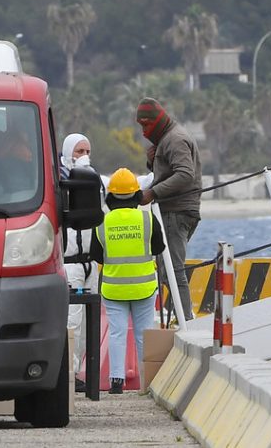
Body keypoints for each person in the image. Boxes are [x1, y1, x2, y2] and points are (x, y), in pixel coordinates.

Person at [90, 167, 165, 394]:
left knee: (117, 333)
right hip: (144, 286)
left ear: (110, 196)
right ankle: (146, 383)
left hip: (114, 289)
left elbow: (96, 255)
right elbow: (159, 247)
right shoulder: (147, 218)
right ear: (136, 195)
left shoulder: (102, 222)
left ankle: (115, 382)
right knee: (144, 334)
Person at [135, 97, 202, 321]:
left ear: (157, 120)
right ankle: (182, 319)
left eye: (146, 124)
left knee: (173, 270)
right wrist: (151, 161)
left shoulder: (174, 139)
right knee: (167, 270)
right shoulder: (167, 139)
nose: (144, 130)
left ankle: (187, 323)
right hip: (175, 211)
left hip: (177, 211)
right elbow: (169, 171)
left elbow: (185, 174)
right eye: (140, 125)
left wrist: (152, 193)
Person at [60, 132, 99, 393]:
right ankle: (68, 375)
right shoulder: (60, 182)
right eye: (79, 151)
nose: (84, 156)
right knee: (71, 321)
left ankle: (79, 371)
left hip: (90, 263)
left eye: (87, 151)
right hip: (70, 262)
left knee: (87, 326)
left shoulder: (95, 181)